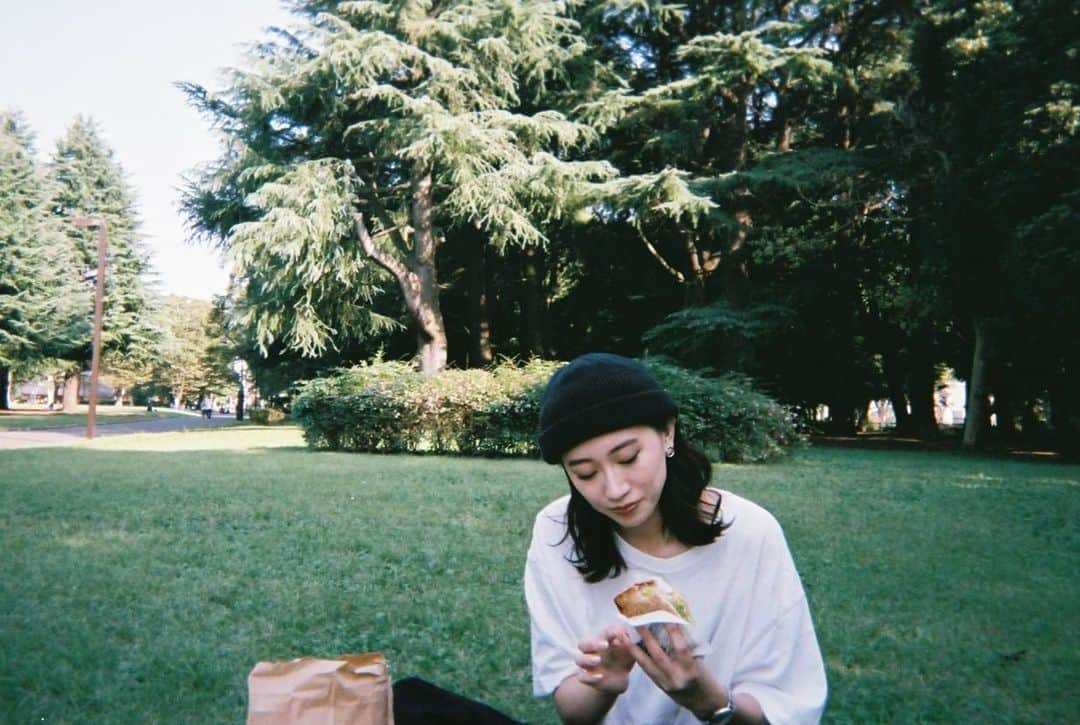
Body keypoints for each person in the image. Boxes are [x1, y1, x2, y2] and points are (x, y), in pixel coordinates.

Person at [525, 353, 826, 724]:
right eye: (585, 473)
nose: (615, 489)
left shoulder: (750, 533)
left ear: (667, 432)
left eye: (628, 458)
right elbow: (573, 712)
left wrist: (707, 700)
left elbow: (784, 709)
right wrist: (603, 684)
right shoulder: (557, 532)